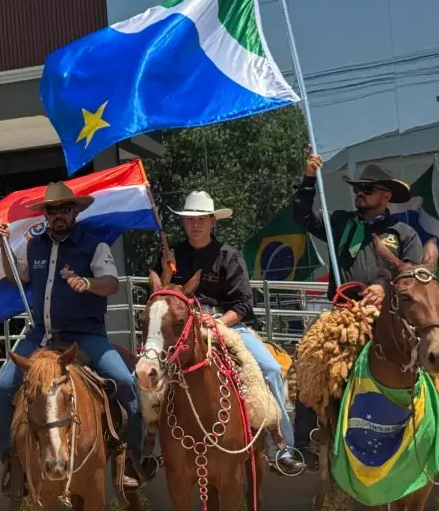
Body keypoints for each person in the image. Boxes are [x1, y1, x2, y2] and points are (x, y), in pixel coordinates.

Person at [0, 181, 145, 493]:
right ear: (46, 214)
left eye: (64, 209)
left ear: (75, 211)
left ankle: (132, 460)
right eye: (52, 210)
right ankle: (12, 462)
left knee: (126, 383)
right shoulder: (35, 245)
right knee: (5, 386)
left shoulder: (94, 244)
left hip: (85, 335)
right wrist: (2, 245)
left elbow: (111, 283)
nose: (58, 214)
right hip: (41, 335)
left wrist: (88, 283)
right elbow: (17, 276)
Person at [154, 190, 306, 477]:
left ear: (213, 221)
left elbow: (243, 304)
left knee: (271, 368)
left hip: (226, 324)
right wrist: (164, 271)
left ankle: (282, 447)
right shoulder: (172, 255)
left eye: (200, 219)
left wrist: (219, 322)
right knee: (152, 371)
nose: (194, 225)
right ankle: (155, 447)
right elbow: (161, 294)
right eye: (189, 219)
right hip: (181, 328)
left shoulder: (228, 256)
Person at [291, 154, 423, 464]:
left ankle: (429, 437)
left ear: (386, 196)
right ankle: (305, 445)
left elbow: (415, 276)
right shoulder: (339, 222)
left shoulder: (404, 234)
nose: (359, 193)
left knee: (428, 361)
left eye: (368, 189)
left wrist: (384, 287)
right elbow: (302, 217)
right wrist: (310, 178)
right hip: (342, 314)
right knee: (309, 362)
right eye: (357, 189)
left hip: (390, 316)